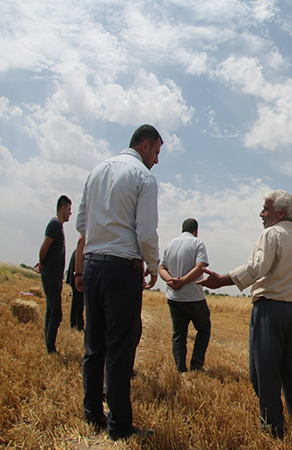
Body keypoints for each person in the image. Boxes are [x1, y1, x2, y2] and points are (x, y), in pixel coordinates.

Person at [198, 190, 292, 438]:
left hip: (269, 310)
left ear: (279, 213)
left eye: (266, 208)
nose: (261, 214)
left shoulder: (271, 234)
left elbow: (255, 268)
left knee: (265, 369)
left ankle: (272, 425)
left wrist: (221, 280)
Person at [73, 124, 162, 441]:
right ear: (145, 145)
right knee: (120, 349)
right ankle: (120, 425)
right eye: (156, 152)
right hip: (122, 269)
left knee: (94, 346)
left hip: (94, 265)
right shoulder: (143, 177)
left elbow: (82, 222)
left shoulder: (97, 171)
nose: (156, 160)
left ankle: (92, 414)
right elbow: (145, 231)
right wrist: (152, 264)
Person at [158, 218, 211, 373]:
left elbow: (161, 267)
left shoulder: (170, 244)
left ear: (182, 229)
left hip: (174, 297)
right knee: (204, 329)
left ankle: (180, 369)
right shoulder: (198, 243)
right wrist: (183, 281)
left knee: (178, 334)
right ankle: (196, 365)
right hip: (194, 297)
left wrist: (171, 280)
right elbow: (200, 267)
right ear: (196, 230)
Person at [35, 195, 72, 354]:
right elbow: (44, 247)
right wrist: (41, 262)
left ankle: (49, 345)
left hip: (55, 275)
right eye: (69, 209)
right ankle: (50, 348)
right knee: (56, 313)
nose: (70, 213)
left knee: (51, 311)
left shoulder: (58, 225)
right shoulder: (55, 224)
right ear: (62, 208)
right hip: (50, 275)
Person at [66, 249, 84, 331]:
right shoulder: (81, 252)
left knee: (76, 302)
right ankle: (78, 325)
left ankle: (74, 323)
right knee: (78, 303)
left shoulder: (77, 251)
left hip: (74, 278)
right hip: (77, 279)